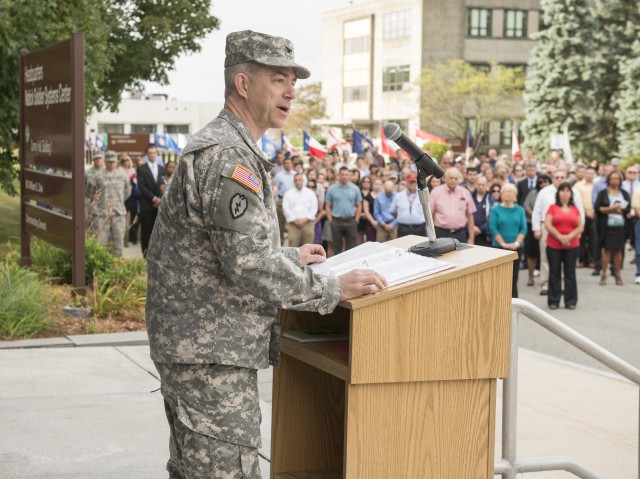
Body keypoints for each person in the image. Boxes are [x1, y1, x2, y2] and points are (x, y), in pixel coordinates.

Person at [146, 30, 387, 479]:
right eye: (278, 79)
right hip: (209, 354)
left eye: (291, 80)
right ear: (243, 84)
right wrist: (331, 288)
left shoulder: (229, 147)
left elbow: (222, 250)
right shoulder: (228, 155)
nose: (291, 91)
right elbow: (247, 262)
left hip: (201, 346)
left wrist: (291, 259)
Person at [532, 169, 584, 295]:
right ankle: (545, 284)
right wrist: (536, 228)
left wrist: (578, 232)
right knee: (546, 257)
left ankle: (562, 286)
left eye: (562, 177)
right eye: (557, 177)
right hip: (547, 226)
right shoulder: (544, 192)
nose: (559, 179)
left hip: (570, 229)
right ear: (552, 177)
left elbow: (580, 212)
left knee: (566, 263)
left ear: (566, 178)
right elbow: (537, 210)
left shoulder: (574, 192)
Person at [544, 183, 584, 309]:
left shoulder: (575, 209)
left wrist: (569, 237)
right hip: (554, 244)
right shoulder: (552, 207)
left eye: (567, 191)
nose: (565, 193)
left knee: (570, 273)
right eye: (562, 191)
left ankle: (570, 300)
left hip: (572, 245)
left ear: (571, 194)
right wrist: (560, 237)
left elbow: (580, 226)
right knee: (554, 272)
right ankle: (554, 300)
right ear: (558, 193)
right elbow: (548, 225)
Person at [88, 151, 131, 257]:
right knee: (100, 243)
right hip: (101, 214)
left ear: (116, 162)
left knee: (118, 243)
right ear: (105, 162)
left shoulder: (122, 175)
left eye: (113, 162)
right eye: (109, 162)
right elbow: (89, 193)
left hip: (118, 213)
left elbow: (128, 191)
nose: (111, 164)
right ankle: (100, 269)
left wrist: (119, 201)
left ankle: (117, 268)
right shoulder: (97, 176)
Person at [489, 183, 527, 298]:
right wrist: (503, 244)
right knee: (499, 276)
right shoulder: (495, 209)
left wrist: (516, 243)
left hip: (516, 248)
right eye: (506, 191)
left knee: (513, 276)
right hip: (499, 248)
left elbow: (524, 228)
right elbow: (493, 228)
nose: (509, 194)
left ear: (515, 195)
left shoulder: (520, 210)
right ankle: (499, 300)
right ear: (501, 194)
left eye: (511, 191)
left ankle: (513, 301)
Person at [594, 170, 631, 285]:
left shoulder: (624, 193)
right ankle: (603, 274)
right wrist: (612, 209)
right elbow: (598, 208)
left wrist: (621, 210)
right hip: (607, 226)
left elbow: (628, 209)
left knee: (619, 251)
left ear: (620, 180)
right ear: (608, 180)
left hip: (620, 226)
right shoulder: (603, 193)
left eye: (617, 178)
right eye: (612, 178)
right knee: (607, 250)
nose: (615, 180)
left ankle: (618, 274)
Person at [430, 168, 476, 243]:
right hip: (440, 233)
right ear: (445, 178)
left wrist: (471, 238)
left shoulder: (465, 193)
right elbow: (430, 215)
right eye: (451, 178)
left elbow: (470, 216)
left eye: (456, 178)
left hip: (460, 234)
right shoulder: (435, 192)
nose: (453, 180)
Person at [325, 166, 362, 254]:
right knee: (337, 248)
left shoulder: (355, 189)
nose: (344, 177)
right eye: (342, 174)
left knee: (352, 248)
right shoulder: (331, 189)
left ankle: (351, 266)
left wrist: (356, 220)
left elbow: (359, 205)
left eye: (346, 175)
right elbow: (327, 206)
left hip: (351, 221)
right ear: (339, 175)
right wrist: (331, 221)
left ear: (349, 175)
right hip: (336, 222)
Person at [523, 175, 551, 286]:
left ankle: (547, 279)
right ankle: (530, 277)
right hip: (533, 225)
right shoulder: (533, 193)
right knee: (532, 254)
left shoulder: (552, 193)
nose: (543, 184)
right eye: (540, 182)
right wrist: (534, 215)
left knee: (546, 255)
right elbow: (526, 206)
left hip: (547, 224)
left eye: (545, 182)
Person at [137, 143, 165, 257]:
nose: (152, 155)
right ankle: (145, 253)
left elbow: (164, 185)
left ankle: (157, 254)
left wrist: (160, 199)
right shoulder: (141, 169)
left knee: (159, 230)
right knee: (146, 230)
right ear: (146, 154)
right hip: (147, 205)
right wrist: (154, 199)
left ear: (156, 154)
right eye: (150, 153)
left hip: (160, 206)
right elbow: (142, 186)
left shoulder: (162, 169)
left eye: (154, 153)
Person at [282, 172, 317, 246]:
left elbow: (314, 209)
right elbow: (285, 209)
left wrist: (304, 220)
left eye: (299, 180)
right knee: (293, 247)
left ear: (303, 181)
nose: (298, 182)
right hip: (293, 224)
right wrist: (295, 221)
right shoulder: (288, 194)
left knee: (309, 247)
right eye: (296, 180)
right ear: (293, 181)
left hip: (307, 223)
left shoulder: (310, 193)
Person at [390, 173, 426, 238]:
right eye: (410, 182)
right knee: (402, 247)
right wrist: (403, 217)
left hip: (419, 228)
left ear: (417, 182)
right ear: (406, 182)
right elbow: (392, 211)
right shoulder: (399, 196)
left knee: (420, 247)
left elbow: (428, 211)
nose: (412, 184)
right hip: (403, 228)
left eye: (413, 182)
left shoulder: (422, 195)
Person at [120, 155, 140, 246]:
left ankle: (130, 236)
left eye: (127, 160)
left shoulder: (132, 171)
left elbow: (135, 184)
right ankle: (123, 234)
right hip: (121, 195)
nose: (125, 162)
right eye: (123, 160)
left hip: (131, 196)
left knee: (131, 215)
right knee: (123, 215)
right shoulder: (119, 171)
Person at [470, 176, 494, 247]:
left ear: (487, 186)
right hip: (470, 234)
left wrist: (480, 229)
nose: (480, 187)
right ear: (476, 185)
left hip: (486, 236)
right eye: (479, 184)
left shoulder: (491, 200)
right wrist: (471, 228)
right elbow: (464, 215)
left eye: (483, 185)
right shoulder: (469, 198)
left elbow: (492, 219)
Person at [357, 176, 377, 244]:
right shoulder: (358, 192)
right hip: (360, 220)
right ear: (361, 183)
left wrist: (368, 215)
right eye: (364, 181)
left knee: (371, 242)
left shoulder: (373, 193)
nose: (366, 183)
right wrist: (360, 214)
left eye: (368, 182)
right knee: (360, 242)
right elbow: (353, 205)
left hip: (371, 221)